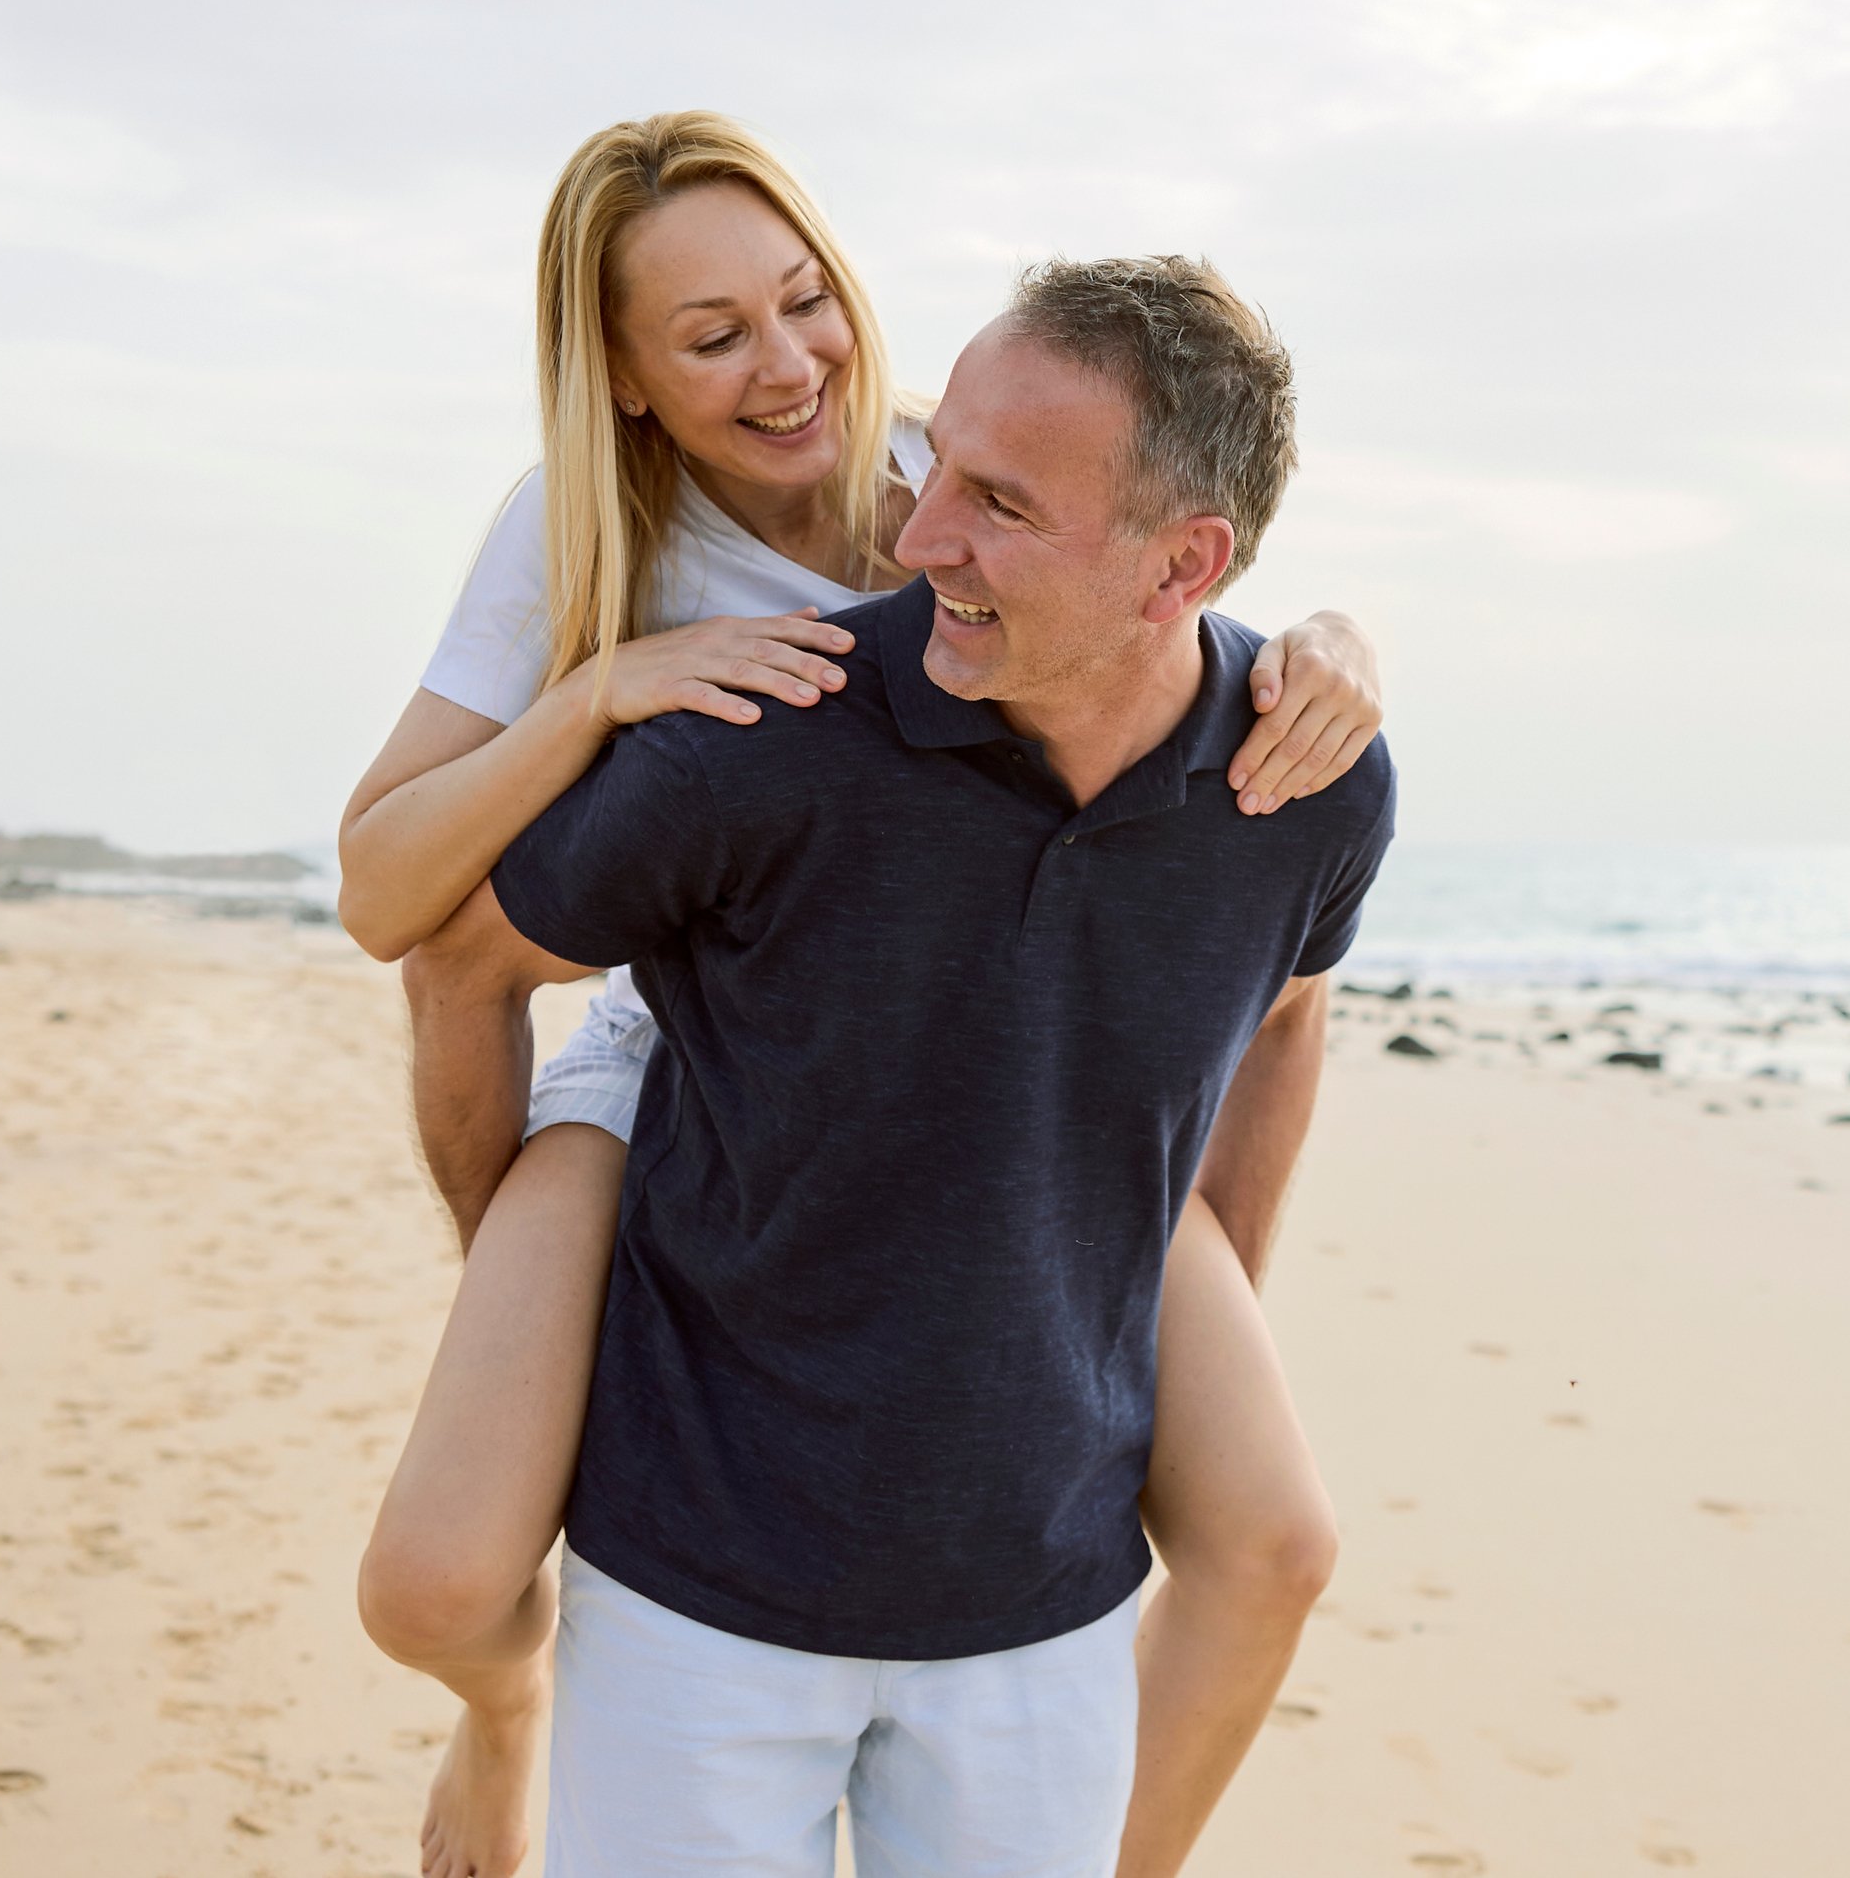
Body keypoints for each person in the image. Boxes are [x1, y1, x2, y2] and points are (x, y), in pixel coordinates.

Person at [340, 117, 1382, 1878]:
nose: (787, 364)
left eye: (804, 300)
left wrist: (1340, 641)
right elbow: (394, 905)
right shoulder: (583, 535)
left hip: (1002, 1057)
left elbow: (1164, 578)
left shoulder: (944, 466)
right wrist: (593, 697)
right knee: (442, 1575)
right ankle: (512, 1707)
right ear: (628, 379)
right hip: (679, 1046)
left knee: (1274, 1540)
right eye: (712, 335)